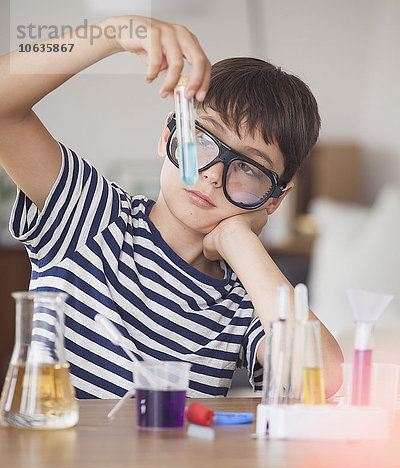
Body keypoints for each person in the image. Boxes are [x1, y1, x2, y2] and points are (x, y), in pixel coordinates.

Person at [0, 15, 343, 400]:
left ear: (274, 197)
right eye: (203, 137)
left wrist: (239, 241)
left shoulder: (245, 298)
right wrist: (113, 33)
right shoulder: (93, 217)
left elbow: (322, 379)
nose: (213, 174)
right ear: (169, 137)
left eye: (248, 166)